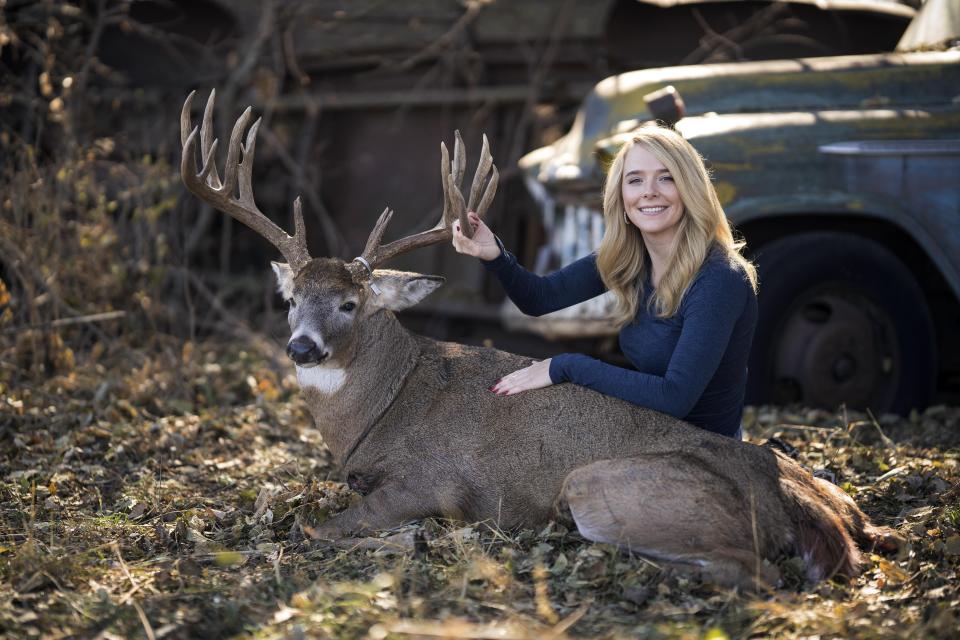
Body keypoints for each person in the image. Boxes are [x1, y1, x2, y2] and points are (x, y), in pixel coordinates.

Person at [451, 123, 758, 439]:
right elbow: (539, 298)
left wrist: (565, 366)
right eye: (635, 180)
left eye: (666, 178)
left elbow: (674, 397)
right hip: (652, 431)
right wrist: (495, 256)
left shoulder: (719, 279)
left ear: (690, 189)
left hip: (709, 452)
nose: (649, 191)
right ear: (622, 196)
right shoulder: (631, 257)